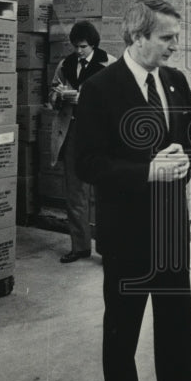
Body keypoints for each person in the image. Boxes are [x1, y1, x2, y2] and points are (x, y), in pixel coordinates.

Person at [75, 0, 191, 381]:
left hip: (170, 230)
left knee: (178, 325)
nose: (175, 47)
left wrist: (184, 167)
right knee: (123, 329)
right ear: (137, 38)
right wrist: (145, 172)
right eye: (166, 38)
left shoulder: (175, 83)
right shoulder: (101, 88)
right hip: (127, 234)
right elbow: (86, 162)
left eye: (176, 37)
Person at [48, 21, 114, 263]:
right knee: (75, 193)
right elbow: (51, 94)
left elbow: (120, 102)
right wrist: (59, 95)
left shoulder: (111, 64)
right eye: (75, 46)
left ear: (94, 44)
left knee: (104, 194)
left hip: (100, 136)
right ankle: (80, 246)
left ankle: (109, 250)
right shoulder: (65, 64)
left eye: (83, 47)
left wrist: (86, 99)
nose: (78, 51)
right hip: (72, 133)